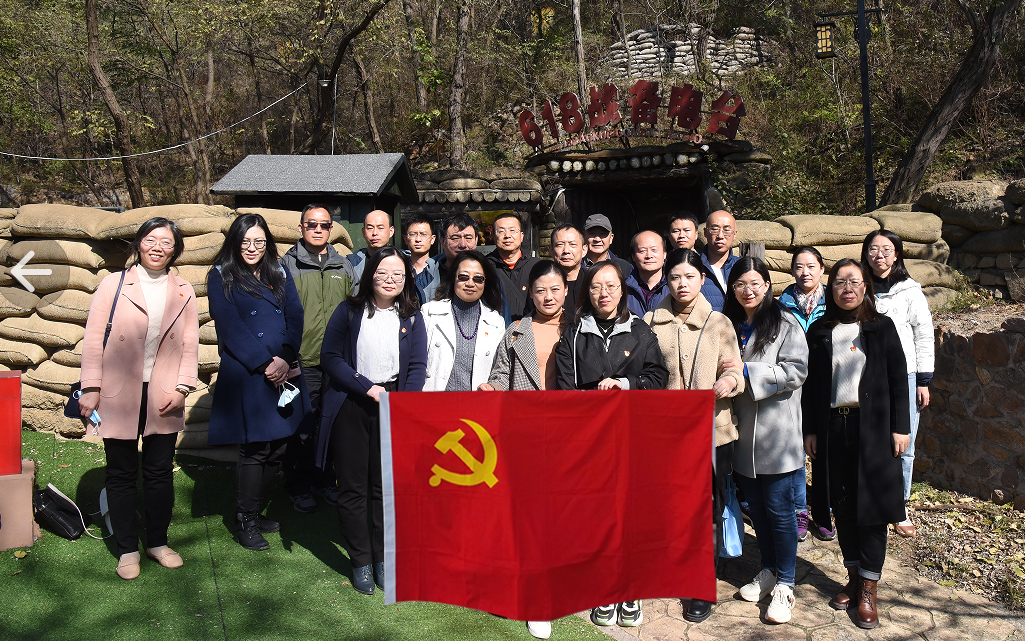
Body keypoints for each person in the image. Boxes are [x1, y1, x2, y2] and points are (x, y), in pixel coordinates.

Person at [79, 217, 199, 580]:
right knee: (121, 473)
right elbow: (93, 338)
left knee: (160, 472)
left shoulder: (184, 289)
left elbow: (190, 343)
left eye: (166, 242)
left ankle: (158, 542)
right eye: (151, 239)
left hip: (165, 391)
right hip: (119, 390)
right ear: (139, 243)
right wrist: (91, 387)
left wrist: (182, 388)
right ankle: (128, 548)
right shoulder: (113, 284)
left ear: (175, 249)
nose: (158, 247)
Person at [555, 261, 668, 629]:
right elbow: (565, 389)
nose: (603, 294)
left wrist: (625, 384)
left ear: (623, 290)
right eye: (595, 287)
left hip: (631, 437)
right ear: (586, 293)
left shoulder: (640, 331)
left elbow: (658, 375)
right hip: (590, 440)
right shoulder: (573, 335)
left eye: (611, 286)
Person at [803, 258, 910, 629]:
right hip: (833, 426)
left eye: (854, 281)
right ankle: (852, 577)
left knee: (873, 509)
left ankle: (868, 588)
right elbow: (810, 386)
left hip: (874, 428)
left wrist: (901, 428)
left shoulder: (881, 327)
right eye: (839, 282)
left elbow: (899, 378)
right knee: (843, 504)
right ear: (830, 288)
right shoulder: (819, 331)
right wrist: (810, 429)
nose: (847, 288)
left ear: (866, 286)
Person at [317, 246, 427, 595]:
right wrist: (365, 386)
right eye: (382, 272)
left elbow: (417, 366)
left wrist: (403, 404)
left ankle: (383, 559)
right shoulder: (349, 311)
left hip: (393, 405)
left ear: (406, 279)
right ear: (370, 275)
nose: (390, 280)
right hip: (353, 403)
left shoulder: (412, 316)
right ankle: (360, 560)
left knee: (385, 489)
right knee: (352, 487)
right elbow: (330, 357)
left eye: (398, 274)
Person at [642, 248, 744, 623]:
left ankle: (701, 582)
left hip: (712, 432)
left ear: (702, 279)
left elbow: (734, 366)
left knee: (708, 508)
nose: (682, 284)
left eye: (689, 277)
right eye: (674, 277)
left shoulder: (719, 322)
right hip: (666, 436)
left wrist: (729, 381)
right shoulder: (650, 322)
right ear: (665, 282)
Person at [207, 214, 311, 552]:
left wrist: (285, 355)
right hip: (249, 372)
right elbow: (229, 325)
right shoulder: (220, 275)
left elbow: (295, 314)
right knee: (256, 448)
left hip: (284, 367)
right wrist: (265, 363)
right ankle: (245, 519)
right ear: (235, 242)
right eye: (246, 242)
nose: (252, 248)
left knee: (280, 445)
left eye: (259, 242)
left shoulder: (278, 271)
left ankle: (253, 509)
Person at [479, 259, 568, 640]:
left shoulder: (580, 328)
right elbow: (501, 375)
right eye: (540, 290)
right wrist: (493, 389)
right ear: (529, 293)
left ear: (566, 290)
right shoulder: (515, 332)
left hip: (569, 437)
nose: (548, 296)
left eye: (555, 289)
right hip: (526, 435)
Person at [722, 257, 808, 625]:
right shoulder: (728, 324)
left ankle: (786, 583)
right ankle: (770, 569)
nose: (748, 290)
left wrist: (748, 371)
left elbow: (797, 370)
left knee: (780, 512)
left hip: (776, 433)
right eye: (740, 284)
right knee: (756, 510)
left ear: (768, 285)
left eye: (755, 283)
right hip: (742, 433)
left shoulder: (785, 323)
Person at [279, 204, 355, 513]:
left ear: (331, 229)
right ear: (301, 228)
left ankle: (325, 480)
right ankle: (298, 485)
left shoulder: (344, 266)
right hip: (302, 360)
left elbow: (355, 309)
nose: (318, 229)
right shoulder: (286, 266)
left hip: (337, 363)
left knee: (332, 425)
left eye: (324, 225)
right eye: (312, 224)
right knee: (301, 427)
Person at [861, 230, 933, 539]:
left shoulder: (909, 290)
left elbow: (924, 333)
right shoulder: (859, 286)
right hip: (866, 375)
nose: (879, 255)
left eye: (886, 250)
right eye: (873, 249)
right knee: (867, 441)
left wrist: (923, 380)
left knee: (905, 443)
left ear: (897, 255)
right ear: (865, 253)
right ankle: (869, 499)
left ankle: (898, 507)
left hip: (905, 376)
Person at [776, 246, 834, 542]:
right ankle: (799, 509)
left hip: (826, 384)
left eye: (811, 266)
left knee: (825, 450)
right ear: (792, 271)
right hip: (794, 385)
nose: (805, 272)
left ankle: (824, 512)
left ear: (822, 269)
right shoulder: (781, 305)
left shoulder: (833, 300)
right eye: (799, 267)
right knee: (796, 450)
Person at [422, 250, 506, 391]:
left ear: (485, 283)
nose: (470, 283)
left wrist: (492, 386)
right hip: (436, 399)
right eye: (463, 277)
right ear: (453, 278)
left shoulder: (496, 322)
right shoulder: (429, 313)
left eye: (478, 279)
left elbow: (501, 369)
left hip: (476, 401)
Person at [485, 212, 539, 321]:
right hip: (496, 328)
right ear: (494, 237)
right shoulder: (485, 266)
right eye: (501, 231)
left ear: (522, 236)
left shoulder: (536, 266)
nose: (507, 236)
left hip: (530, 328)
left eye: (513, 230)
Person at [420, 213, 479, 303]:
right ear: (442, 241)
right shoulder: (425, 279)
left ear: (476, 240)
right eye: (455, 238)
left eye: (468, 238)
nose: (463, 244)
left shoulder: (489, 274)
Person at [699, 210, 741, 313]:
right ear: (705, 232)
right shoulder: (695, 267)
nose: (720, 236)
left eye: (727, 230)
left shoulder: (742, 267)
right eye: (714, 229)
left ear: (734, 234)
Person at [625, 230, 670, 316]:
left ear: (664, 254)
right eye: (642, 251)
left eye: (654, 250)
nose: (649, 256)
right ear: (633, 256)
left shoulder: (674, 286)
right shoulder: (623, 289)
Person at [347, 209, 395, 285]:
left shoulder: (403, 260)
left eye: (380, 228)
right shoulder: (352, 263)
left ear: (391, 231)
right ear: (363, 232)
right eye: (370, 228)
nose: (375, 233)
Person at [550, 223, 584, 319]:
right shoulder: (542, 283)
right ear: (551, 250)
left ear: (584, 250)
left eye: (572, 244)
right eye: (559, 245)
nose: (566, 251)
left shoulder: (592, 282)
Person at [404, 212, 437, 304]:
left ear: (433, 239)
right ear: (405, 239)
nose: (418, 239)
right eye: (413, 234)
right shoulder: (399, 269)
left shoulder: (439, 270)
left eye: (423, 234)